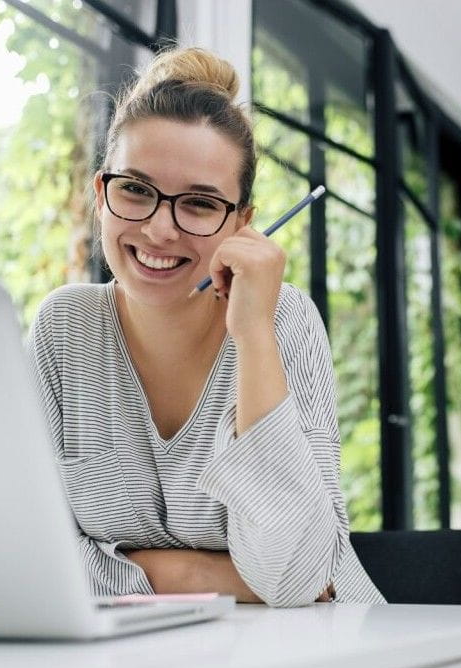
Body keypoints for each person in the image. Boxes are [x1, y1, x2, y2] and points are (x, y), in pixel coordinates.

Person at [27, 46, 385, 607]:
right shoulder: (63, 326)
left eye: (198, 204)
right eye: (136, 190)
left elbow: (297, 575)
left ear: (242, 223)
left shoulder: (283, 320)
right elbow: (29, 552)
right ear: (102, 194)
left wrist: (254, 334)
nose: (159, 229)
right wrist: (208, 580)